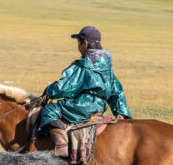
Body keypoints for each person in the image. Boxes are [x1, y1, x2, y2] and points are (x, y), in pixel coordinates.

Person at [38, 25, 130, 158]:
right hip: (99, 107)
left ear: (85, 43)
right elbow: (116, 90)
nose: (78, 47)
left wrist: (49, 91)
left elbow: (64, 87)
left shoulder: (83, 64)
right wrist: (121, 112)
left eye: (78, 43)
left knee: (50, 111)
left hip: (83, 106)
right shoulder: (107, 66)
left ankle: (62, 146)